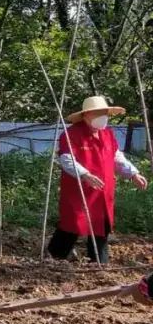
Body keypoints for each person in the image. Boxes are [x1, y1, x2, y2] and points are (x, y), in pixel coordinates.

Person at [47, 95, 147, 264]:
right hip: (79, 190)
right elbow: (66, 159)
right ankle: (55, 255)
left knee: (102, 225)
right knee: (73, 223)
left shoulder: (107, 134)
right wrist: (85, 174)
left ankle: (99, 261)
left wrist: (133, 173)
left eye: (104, 113)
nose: (102, 117)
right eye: (97, 113)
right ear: (86, 115)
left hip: (103, 190)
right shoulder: (71, 134)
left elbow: (116, 157)